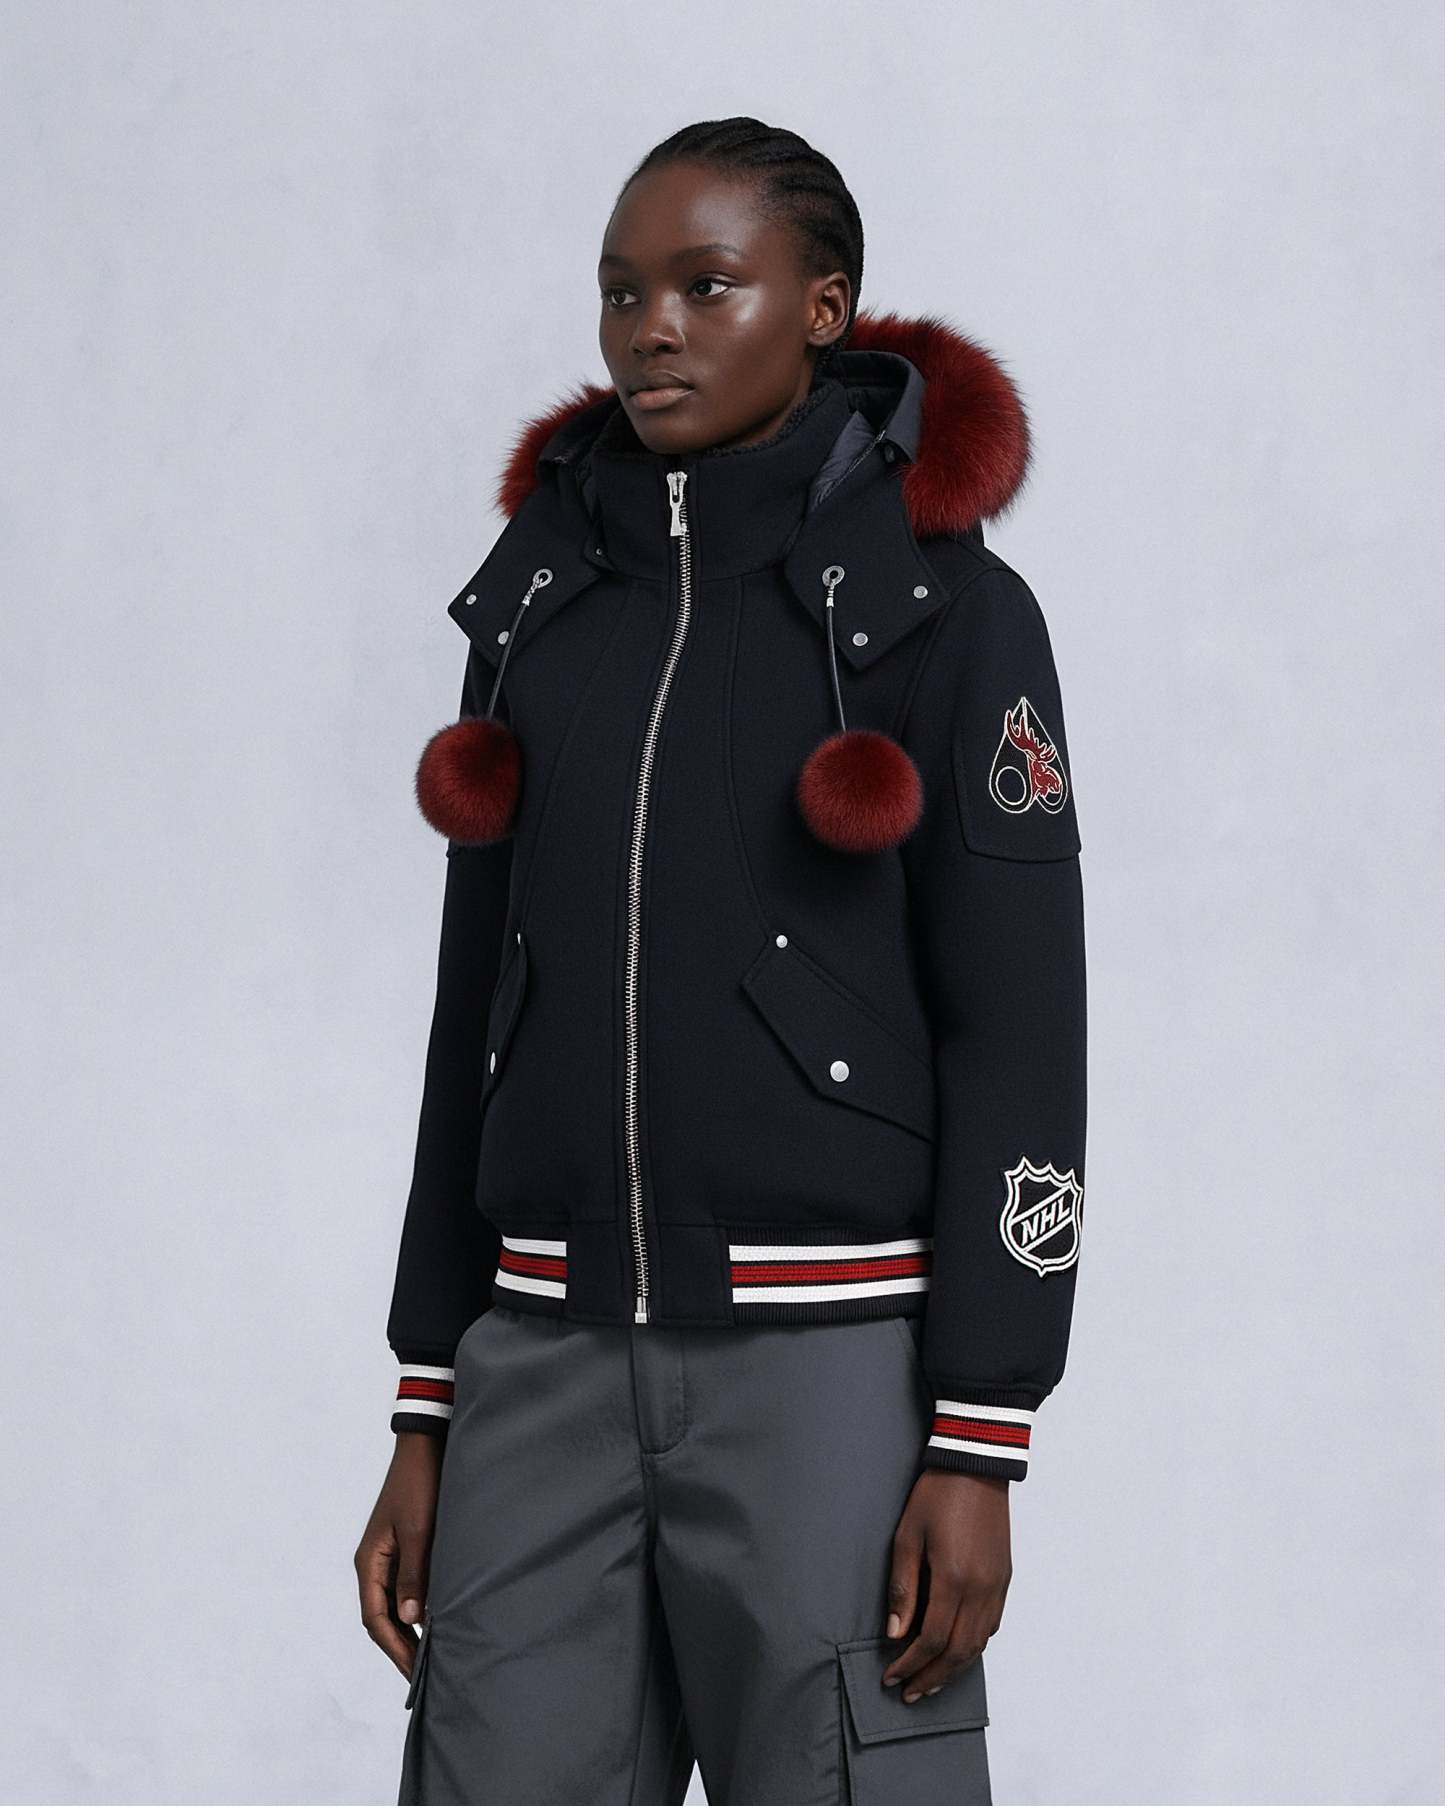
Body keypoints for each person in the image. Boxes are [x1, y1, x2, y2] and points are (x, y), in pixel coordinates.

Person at [354, 115, 1087, 1806]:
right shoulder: (537, 609)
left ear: (822, 308)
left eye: (705, 285)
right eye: (622, 292)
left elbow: (1018, 1032)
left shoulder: (944, 615)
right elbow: (473, 1019)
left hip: (826, 1378)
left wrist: (979, 1430)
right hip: (535, 1363)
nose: (651, 329)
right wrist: (426, 1396)